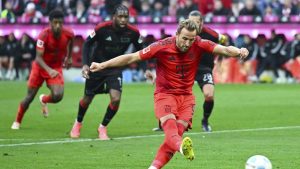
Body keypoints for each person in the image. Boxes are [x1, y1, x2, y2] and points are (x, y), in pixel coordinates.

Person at [89, 19, 249, 169]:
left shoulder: (199, 44)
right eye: (185, 38)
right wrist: (102, 65)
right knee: (172, 133)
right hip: (165, 95)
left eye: (191, 40)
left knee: (173, 139)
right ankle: (182, 147)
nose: (188, 43)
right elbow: (131, 57)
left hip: (187, 98)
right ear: (177, 34)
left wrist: (239, 51)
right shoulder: (161, 46)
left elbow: (226, 49)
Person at [69, 5, 143, 140]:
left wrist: (146, 69)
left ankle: (102, 127)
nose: (123, 20)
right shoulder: (101, 28)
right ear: (113, 17)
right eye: (120, 16)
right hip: (97, 67)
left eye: (125, 17)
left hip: (114, 68)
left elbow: (141, 51)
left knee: (116, 99)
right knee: (87, 99)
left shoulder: (133, 33)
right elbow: (87, 44)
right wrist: (85, 64)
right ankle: (78, 123)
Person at [151, 10, 227, 132]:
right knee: (170, 90)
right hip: (185, 67)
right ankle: (163, 122)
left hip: (204, 68)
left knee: (209, 95)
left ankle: (205, 121)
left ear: (201, 23)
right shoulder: (184, 34)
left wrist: (219, 61)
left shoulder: (212, 34)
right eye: (191, 22)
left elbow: (224, 41)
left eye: (196, 22)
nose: (194, 25)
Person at [11, 9, 74, 130]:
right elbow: (38, 58)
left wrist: (69, 57)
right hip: (40, 68)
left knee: (58, 95)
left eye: (60, 23)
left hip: (55, 67)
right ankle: (17, 121)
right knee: (29, 98)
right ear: (50, 22)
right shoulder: (43, 35)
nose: (58, 26)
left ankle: (44, 99)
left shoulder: (69, 33)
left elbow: (71, 41)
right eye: (55, 23)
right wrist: (49, 70)